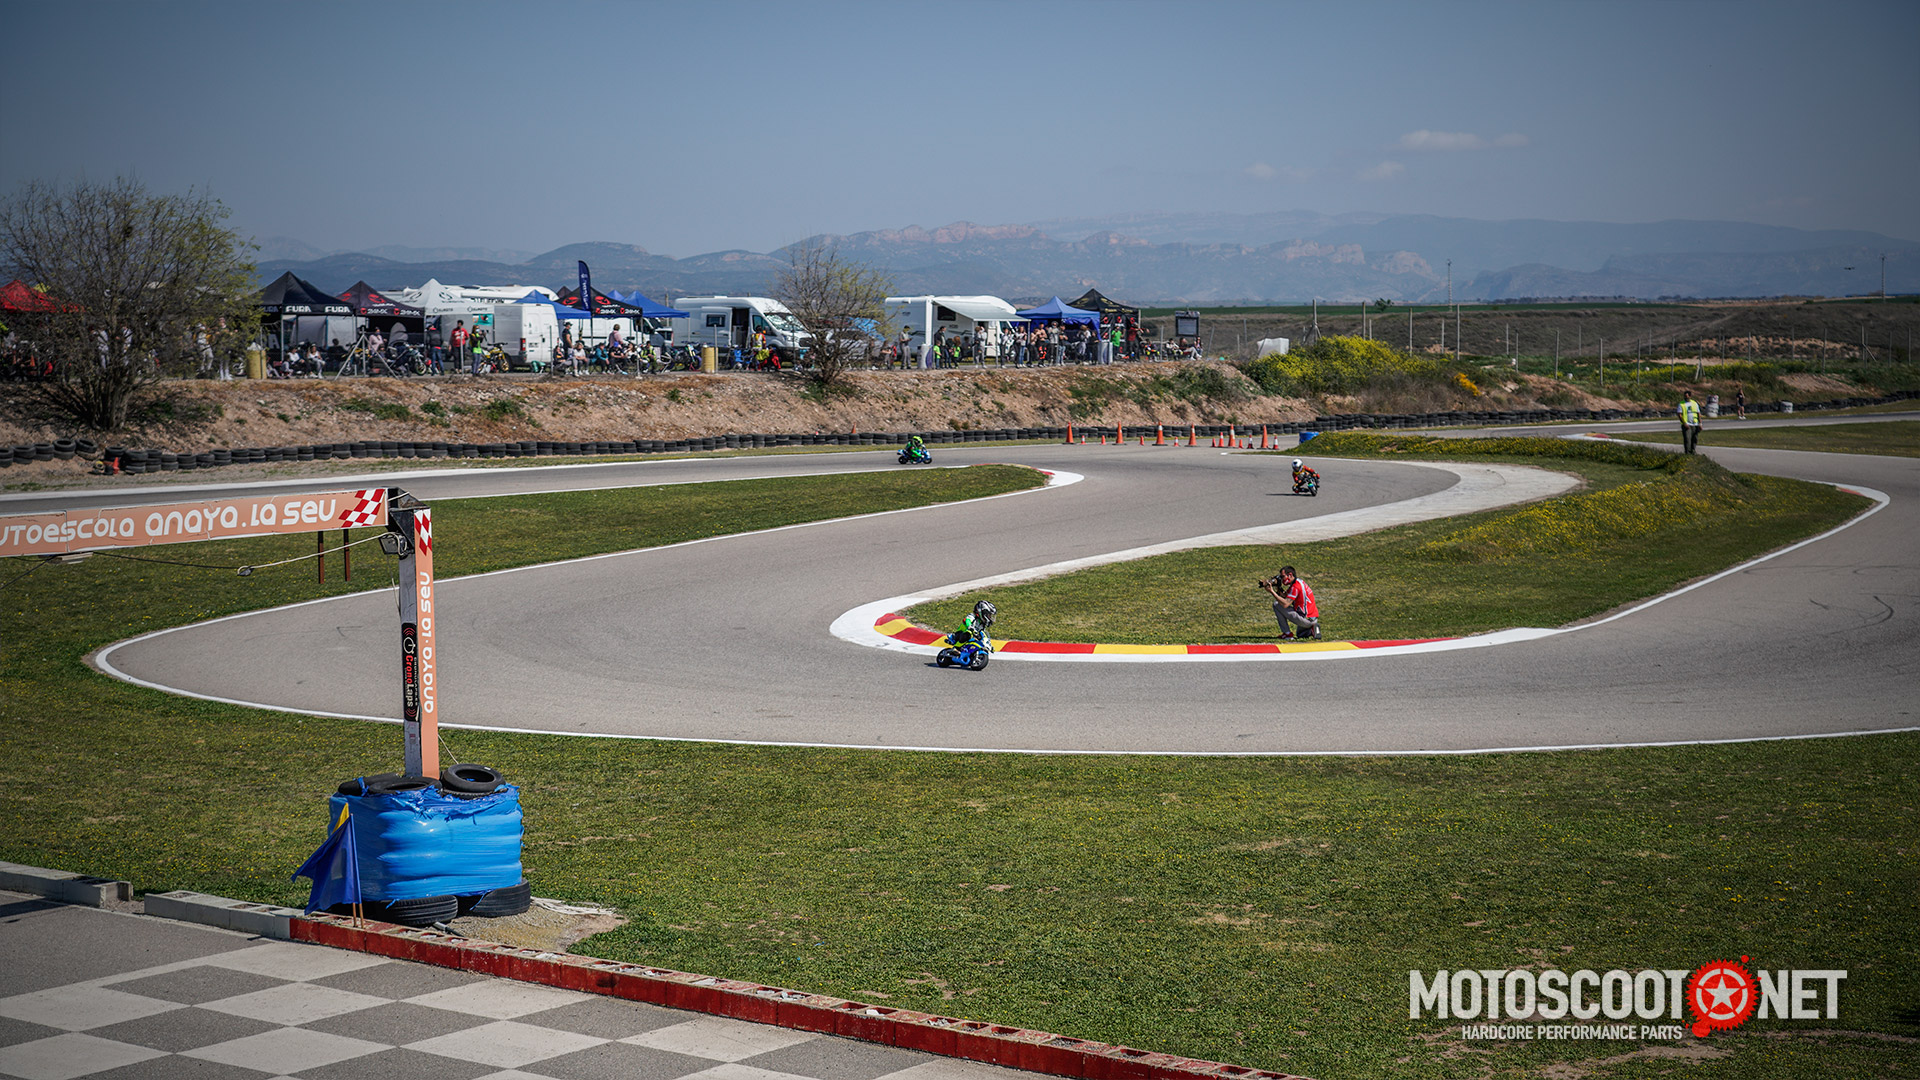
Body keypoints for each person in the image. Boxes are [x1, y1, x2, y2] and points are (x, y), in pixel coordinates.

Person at [1260, 566, 1320, 640]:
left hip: (1306, 619)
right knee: (1300, 635)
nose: (1281, 579)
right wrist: (1278, 587)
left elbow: (1285, 604)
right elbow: (1285, 595)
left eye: (1283, 576)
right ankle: (1312, 629)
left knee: (1276, 605)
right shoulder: (1298, 582)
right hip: (1311, 618)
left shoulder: (1295, 587)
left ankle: (1287, 633)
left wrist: (1271, 591)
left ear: (1290, 575)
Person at [1678, 389, 1702, 454]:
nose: (1686, 397)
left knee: (1694, 438)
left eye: (1687, 396)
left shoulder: (1694, 403)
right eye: (1685, 396)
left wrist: (1700, 423)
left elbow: (1698, 413)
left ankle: (1693, 450)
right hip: (1687, 424)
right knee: (1687, 439)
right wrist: (1684, 423)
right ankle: (1687, 452)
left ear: (1690, 396)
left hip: (1695, 424)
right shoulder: (1681, 404)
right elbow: (1679, 415)